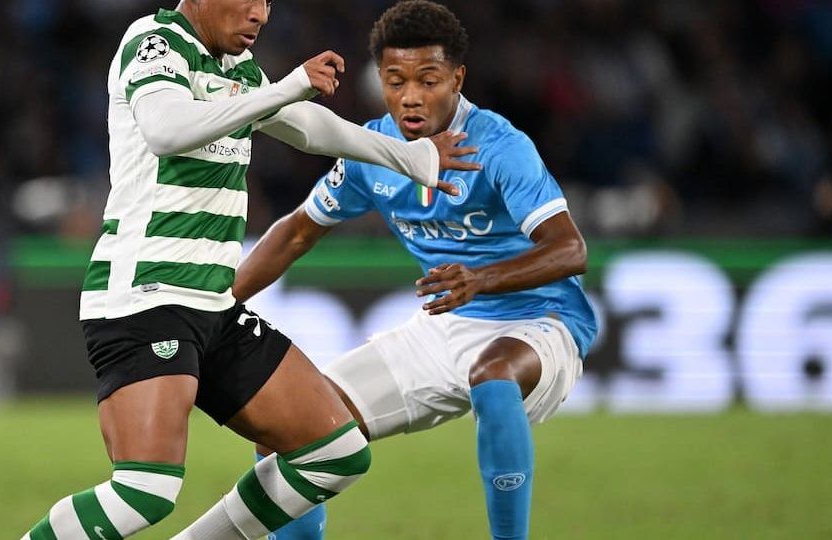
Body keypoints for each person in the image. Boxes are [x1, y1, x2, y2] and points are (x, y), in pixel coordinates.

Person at [19, 1, 480, 539]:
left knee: (335, 453)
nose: (261, 13)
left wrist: (412, 156)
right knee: (144, 492)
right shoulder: (156, 43)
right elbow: (166, 130)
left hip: (214, 304)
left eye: (267, 1)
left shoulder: (235, 68)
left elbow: (308, 126)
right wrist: (285, 88)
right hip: (147, 297)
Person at [234, 2, 598, 539]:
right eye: (395, 80)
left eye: (428, 80)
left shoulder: (500, 147)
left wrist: (482, 279)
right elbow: (296, 232)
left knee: (493, 376)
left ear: (456, 79)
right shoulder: (372, 149)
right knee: (287, 428)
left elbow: (570, 249)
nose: (410, 96)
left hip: (540, 321)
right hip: (442, 326)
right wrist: (219, 302)